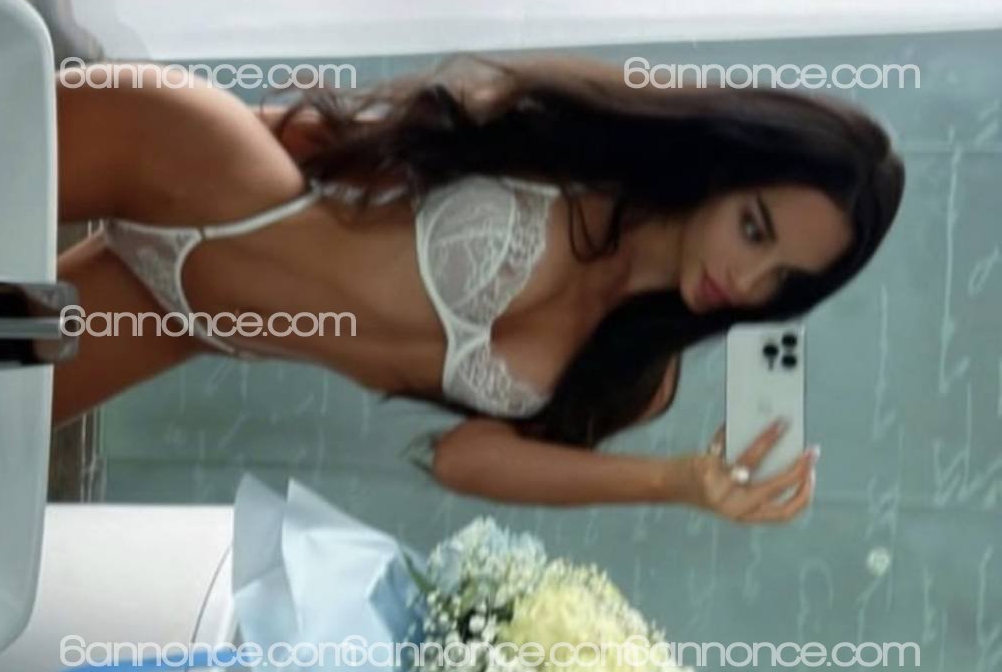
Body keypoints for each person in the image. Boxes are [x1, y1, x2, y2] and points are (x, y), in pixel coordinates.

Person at [53, 54, 903, 520]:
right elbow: (358, 137)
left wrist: (673, 482)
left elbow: (463, 460)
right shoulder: (589, 146)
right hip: (183, 157)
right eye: (754, 228)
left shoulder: (634, 378)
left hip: (185, 317)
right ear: (728, 167)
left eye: (782, 280)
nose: (746, 280)